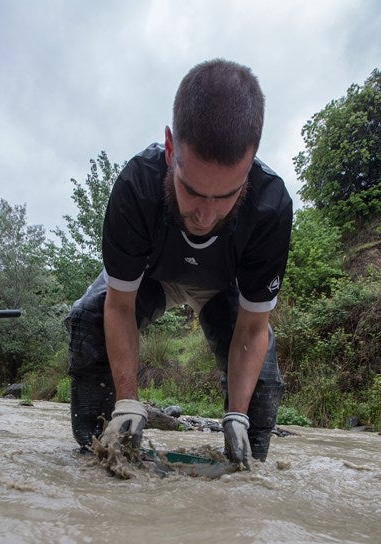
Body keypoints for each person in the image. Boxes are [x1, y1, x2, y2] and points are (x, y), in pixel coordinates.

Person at [65, 58, 292, 469]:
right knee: (88, 319)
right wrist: (128, 401)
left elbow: (253, 328)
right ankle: (98, 455)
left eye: (226, 196)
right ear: (171, 149)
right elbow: (119, 307)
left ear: (252, 158)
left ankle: (245, 465)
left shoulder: (270, 207)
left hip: (224, 286)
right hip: (151, 276)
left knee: (260, 388)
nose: (206, 216)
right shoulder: (137, 185)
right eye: (192, 191)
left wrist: (238, 413)